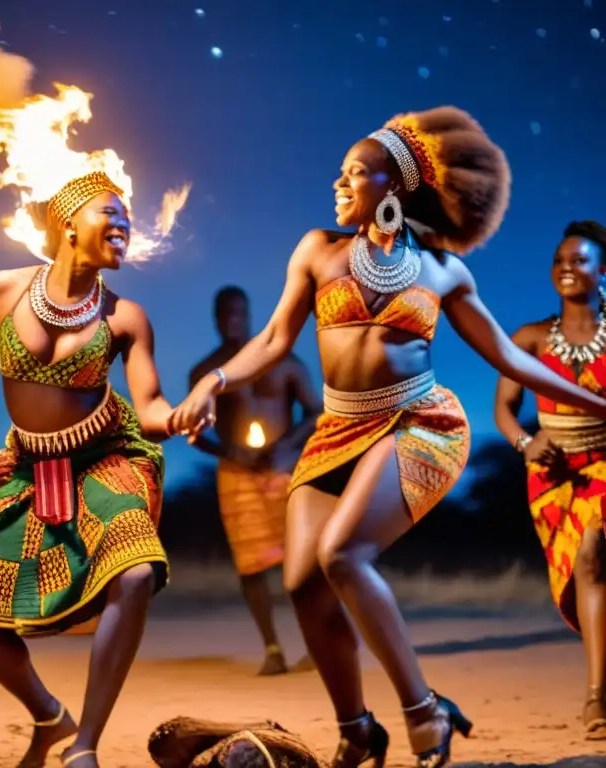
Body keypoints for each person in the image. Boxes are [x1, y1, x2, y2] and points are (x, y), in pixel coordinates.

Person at [170, 107, 606, 768]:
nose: (339, 184)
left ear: (393, 188)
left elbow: (514, 362)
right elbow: (273, 340)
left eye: (355, 173)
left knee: (343, 554)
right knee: (303, 581)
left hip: (418, 423)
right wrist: (216, 382)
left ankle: (425, 714)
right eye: (340, 173)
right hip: (338, 430)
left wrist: (594, 399)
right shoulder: (318, 250)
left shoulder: (441, 271)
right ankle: (355, 727)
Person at [0, 170, 175, 767]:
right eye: (111, 213)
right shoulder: (2, 291)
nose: (124, 225)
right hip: (26, 465)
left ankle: (87, 746)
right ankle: (51, 719)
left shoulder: (126, 318)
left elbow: (151, 410)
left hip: (105, 456)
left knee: (133, 574)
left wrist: (182, 417)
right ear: (69, 223)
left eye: (128, 217)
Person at [493, 219, 606, 741]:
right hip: (554, 478)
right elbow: (505, 410)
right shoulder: (531, 339)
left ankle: (595, 696)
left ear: (602, 271)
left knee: (592, 552)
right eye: (560, 261)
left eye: (579, 260)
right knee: (587, 569)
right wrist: (526, 443)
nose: (567, 268)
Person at [189, 285, 320, 675]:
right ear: (216, 319)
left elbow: (316, 412)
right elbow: (194, 432)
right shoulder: (206, 373)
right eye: (225, 314)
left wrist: (287, 446)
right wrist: (231, 452)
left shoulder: (283, 361)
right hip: (238, 474)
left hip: (284, 469)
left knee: (302, 559)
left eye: (238, 313)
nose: (232, 320)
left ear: (248, 315)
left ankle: (317, 645)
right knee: (251, 564)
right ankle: (273, 649)